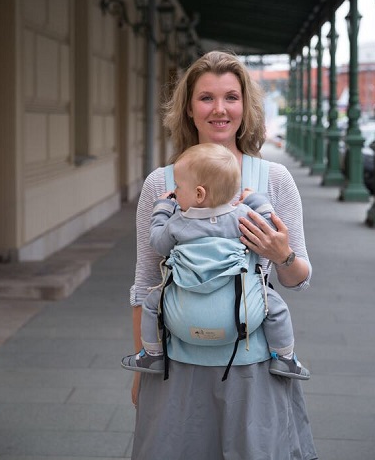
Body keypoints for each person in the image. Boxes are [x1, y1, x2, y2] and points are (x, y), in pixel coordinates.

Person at [129, 51, 318, 460]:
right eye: (206, 98)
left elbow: (299, 278)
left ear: (245, 107)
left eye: (231, 97)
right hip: (175, 364)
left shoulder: (274, 179)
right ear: (188, 109)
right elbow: (145, 282)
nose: (220, 109)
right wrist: (144, 366)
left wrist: (282, 255)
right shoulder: (160, 184)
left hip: (254, 365)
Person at [122, 143, 310, 381]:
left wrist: (161, 209)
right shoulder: (243, 216)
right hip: (241, 314)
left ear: (199, 194)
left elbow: (158, 243)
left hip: (183, 313)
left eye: (178, 187)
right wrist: (257, 201)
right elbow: (269, 229)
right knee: (275, 306)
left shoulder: (177, 222)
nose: (175, 192)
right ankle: (285, 357)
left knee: (152, 304)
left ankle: (152, 354)